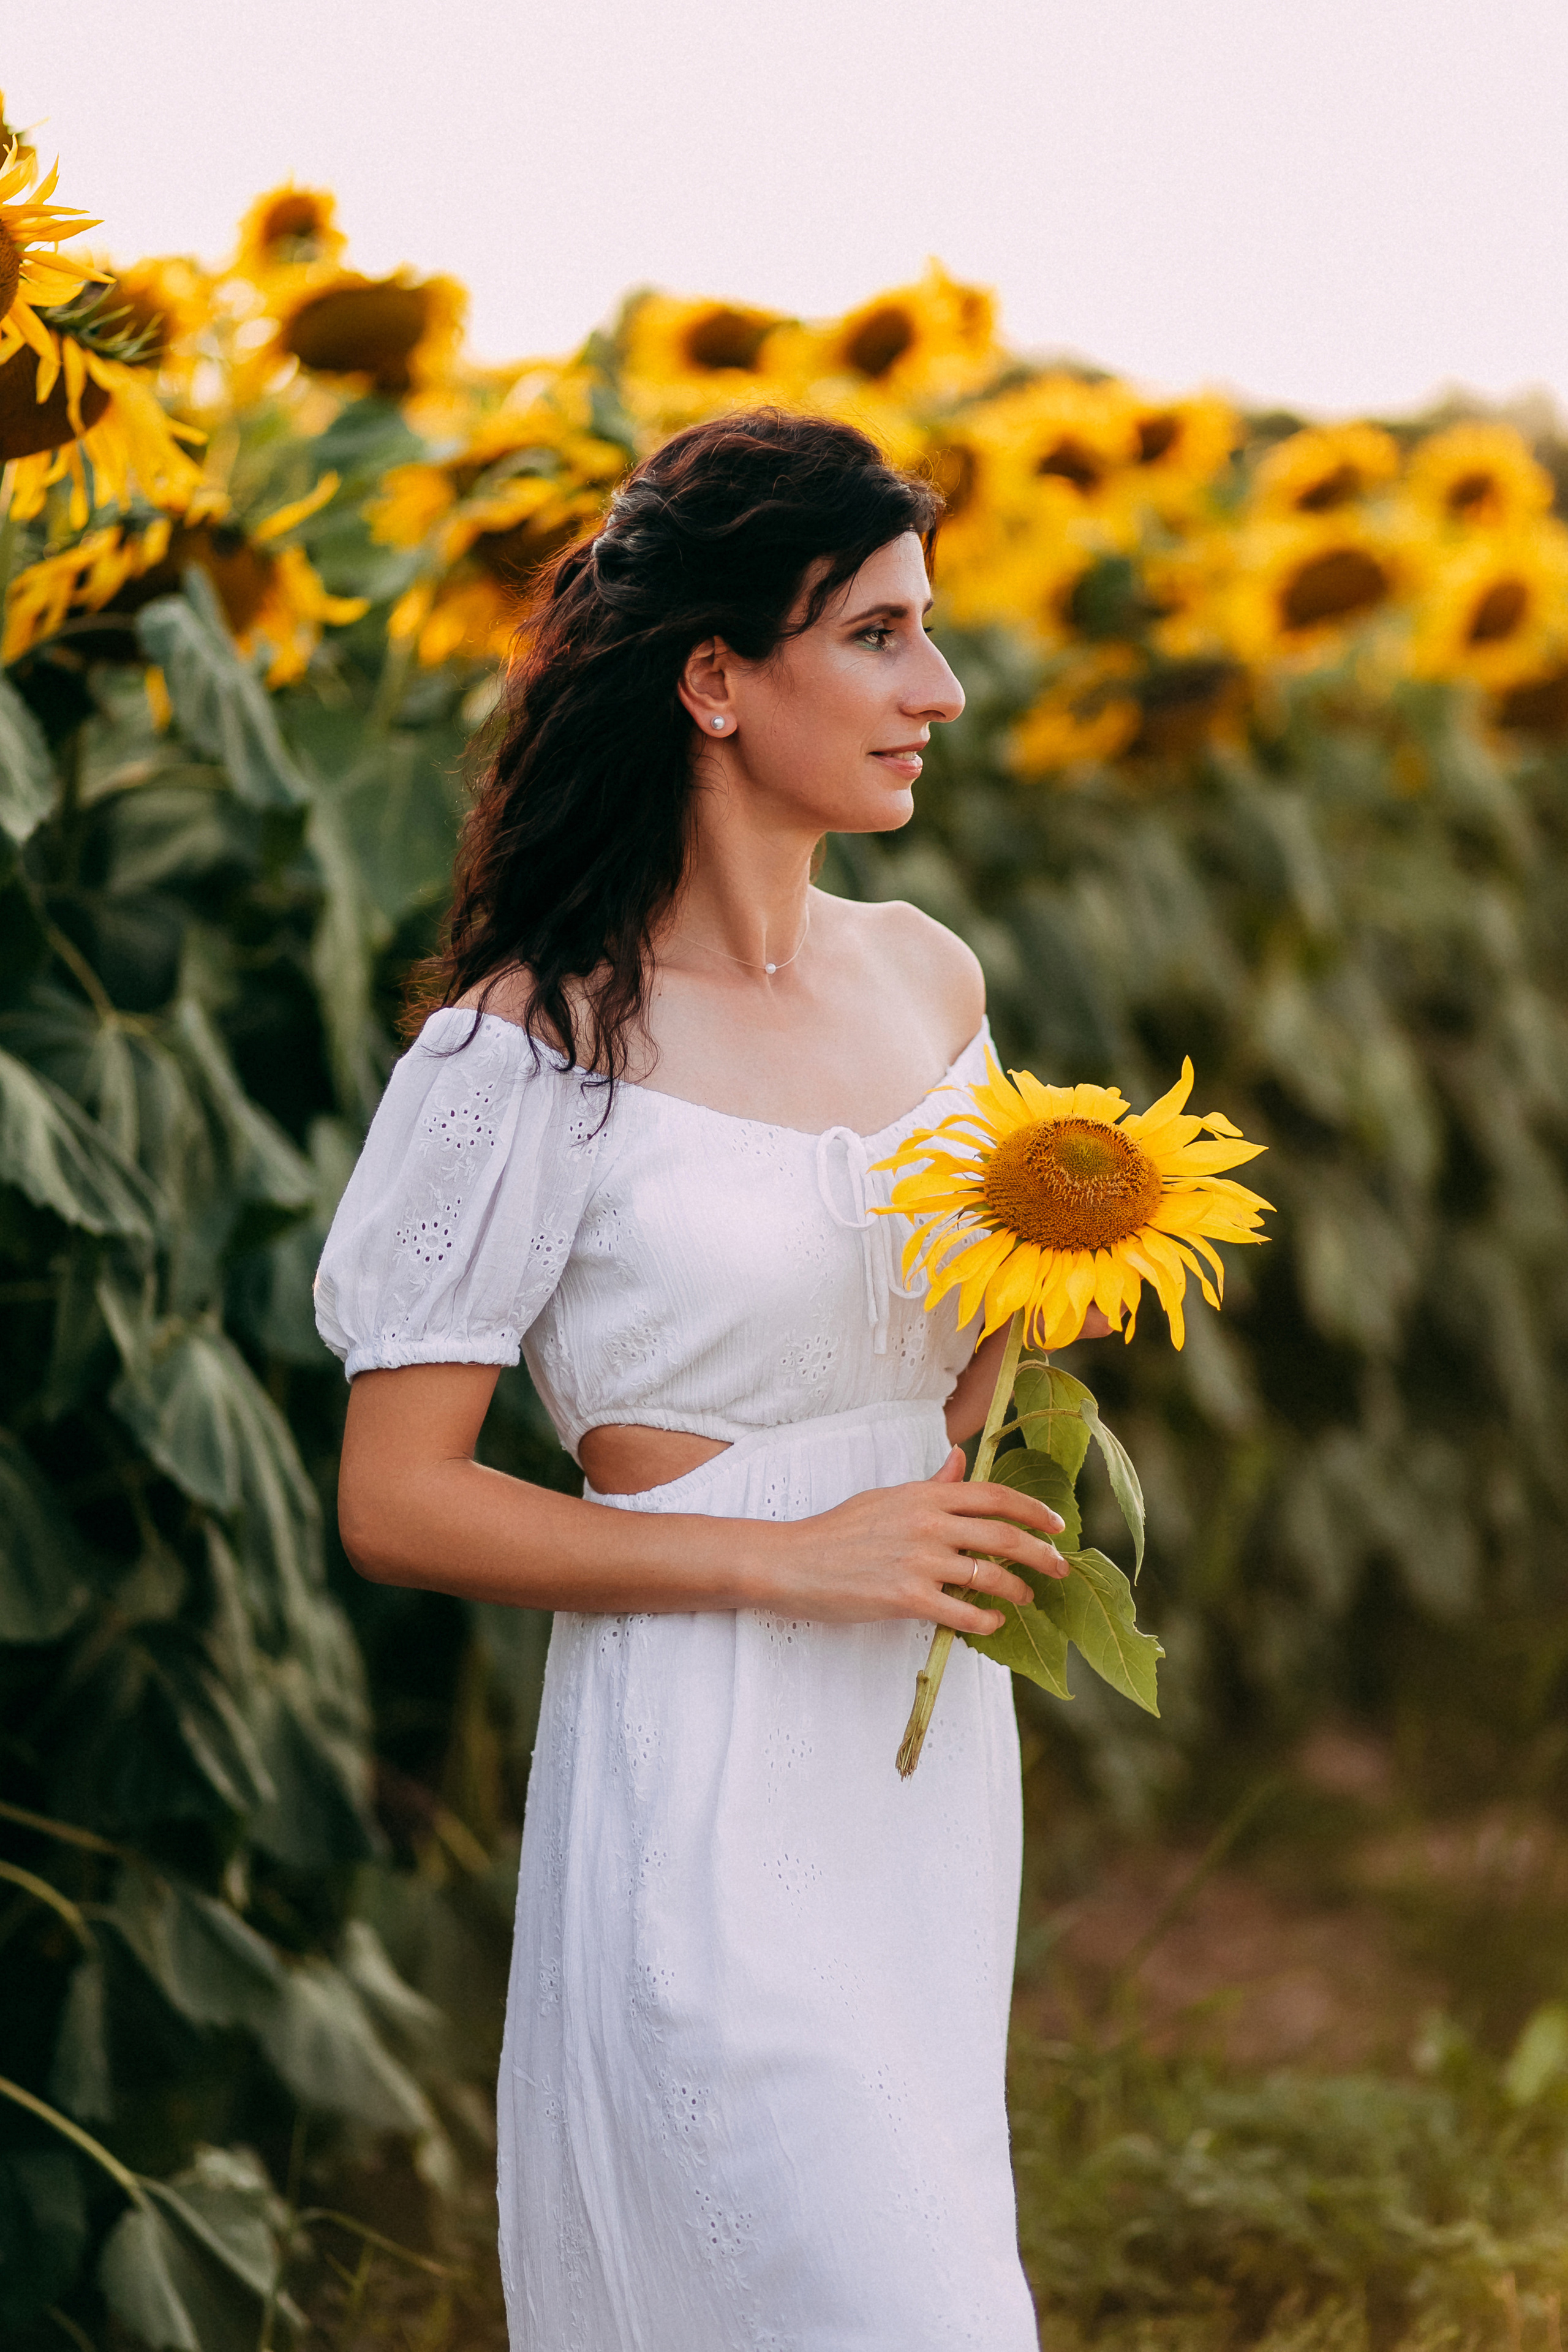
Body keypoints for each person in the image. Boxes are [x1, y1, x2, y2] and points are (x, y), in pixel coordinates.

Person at [315, 409, 1091, 2350]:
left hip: (912, 1757)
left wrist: (1072, 1280)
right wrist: (792, 1557)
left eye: (933, 631)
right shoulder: (531, 1046)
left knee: (923, 2252)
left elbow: (956, 1371)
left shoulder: (931, 979)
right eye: (883, 636)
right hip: (706, 1748)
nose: (945, 686)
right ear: (715, 679)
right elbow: (396, 1496)